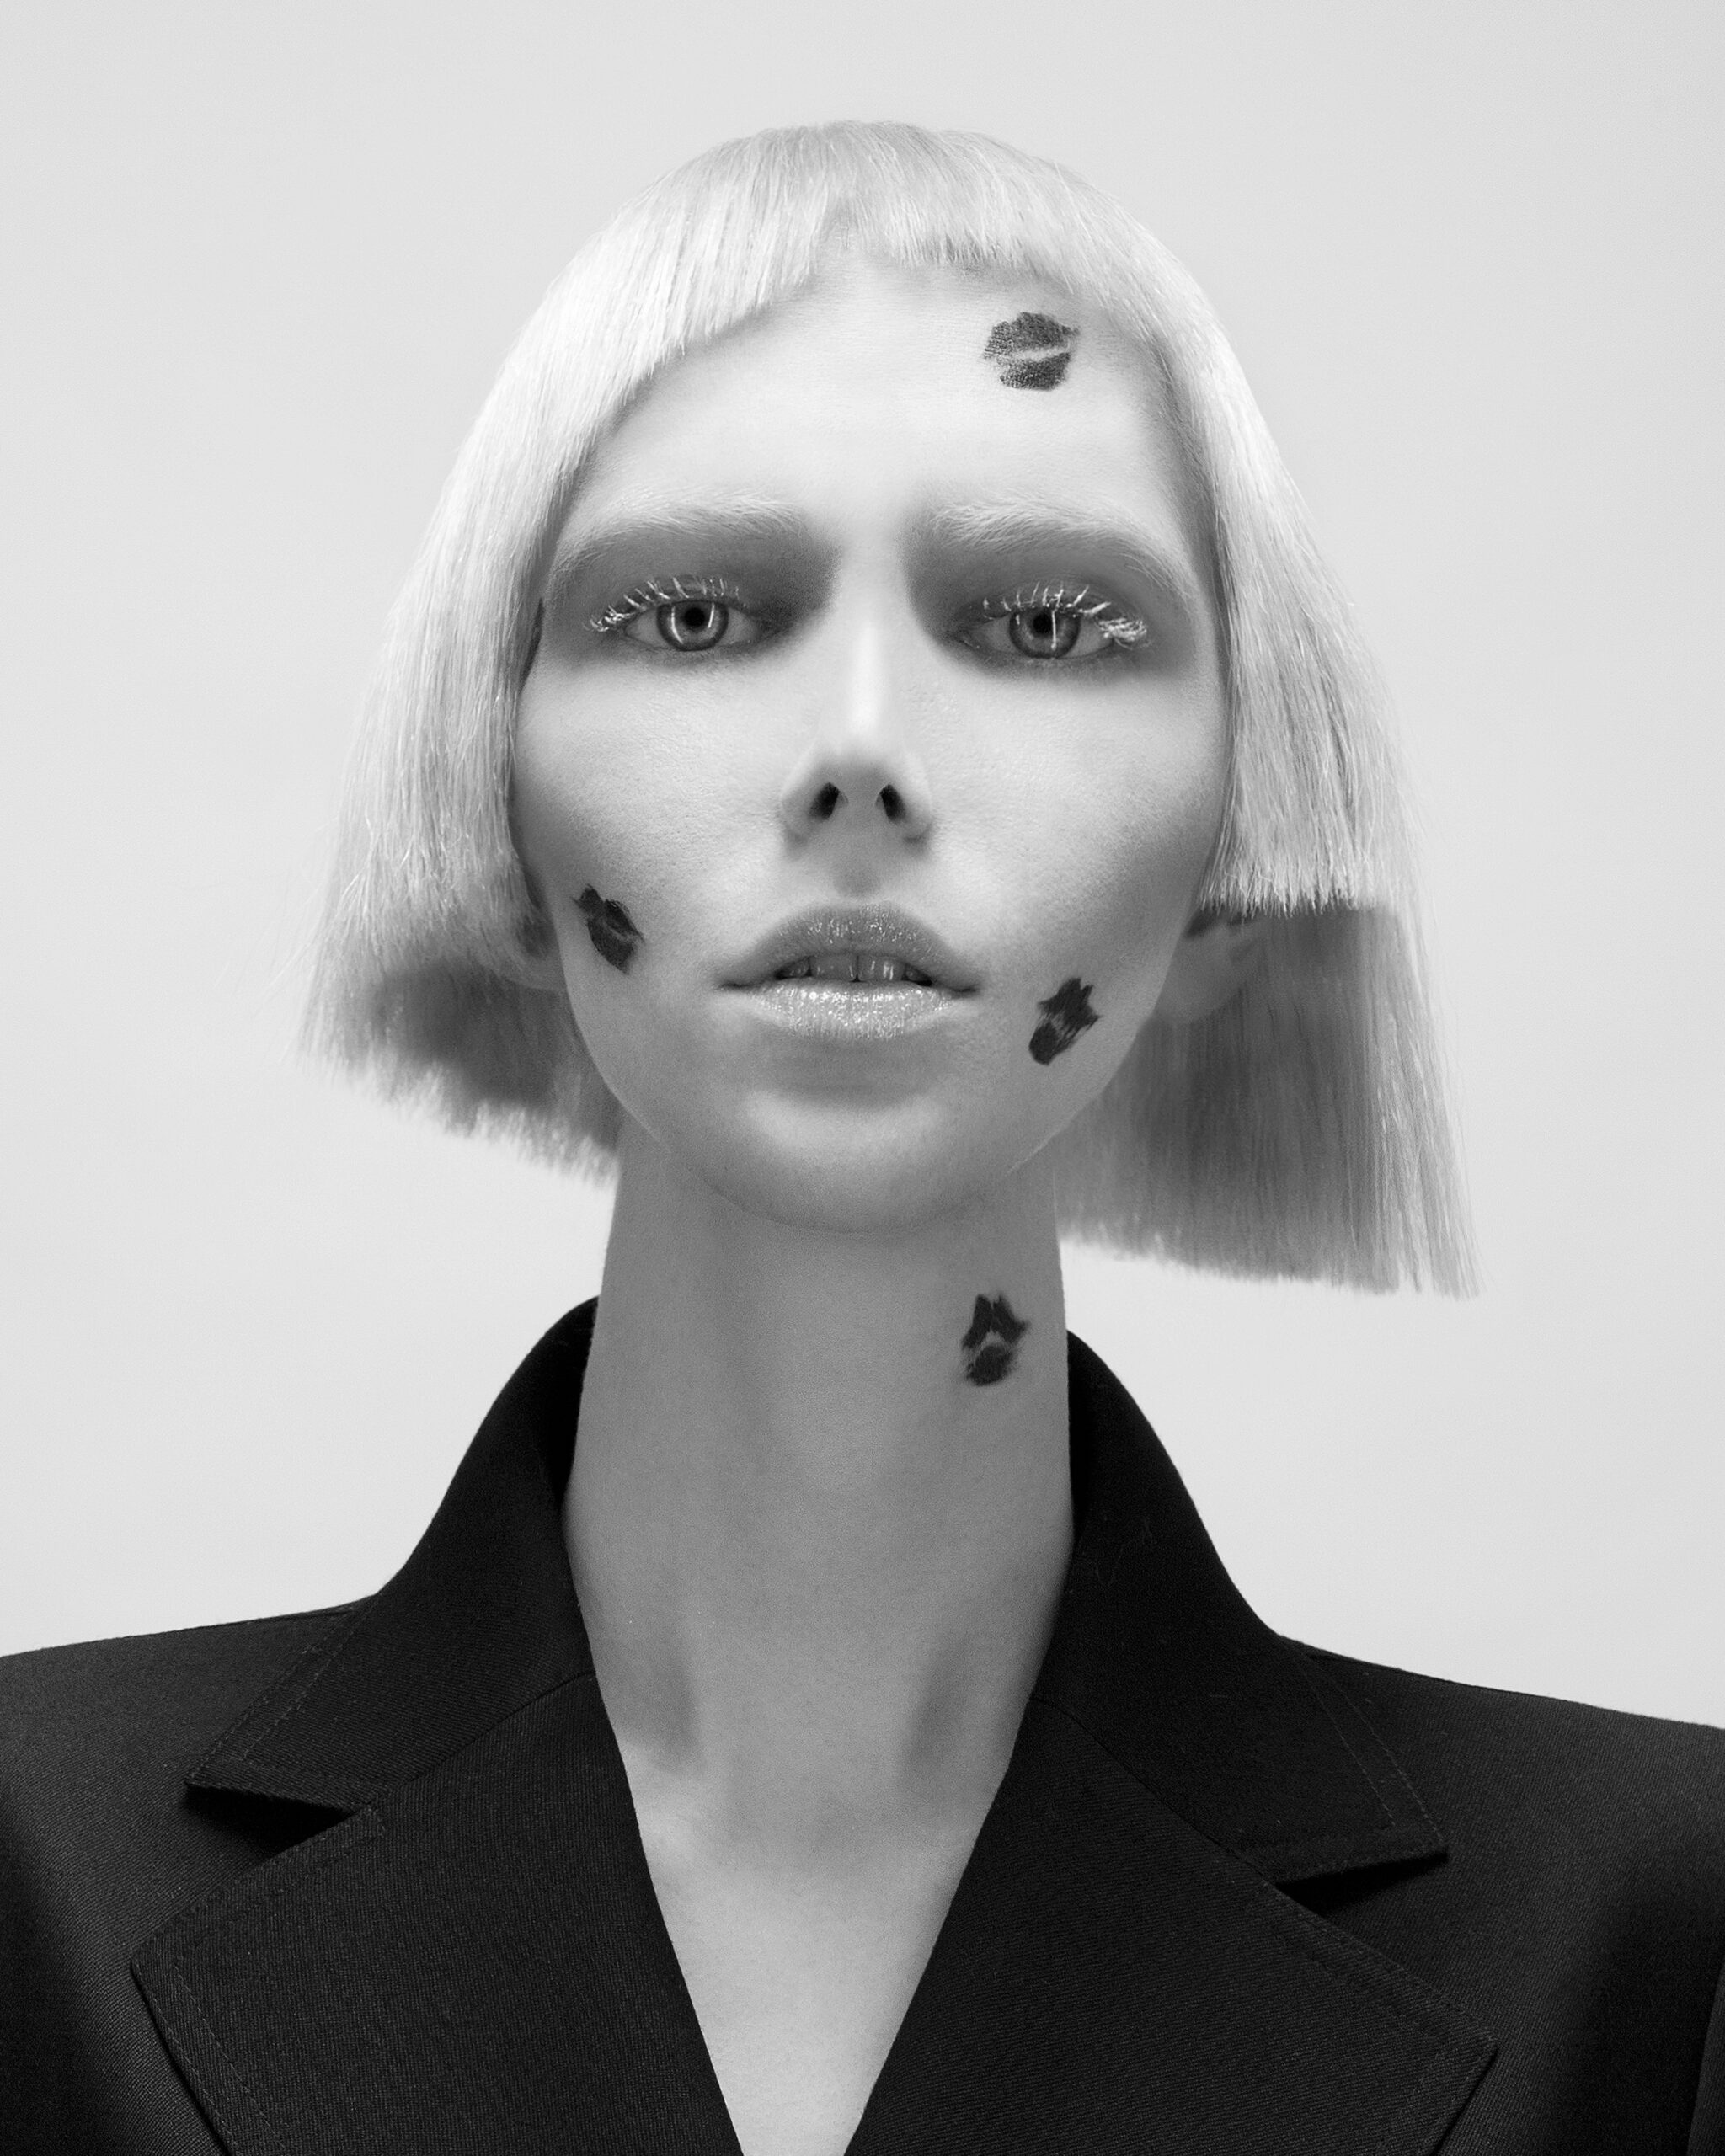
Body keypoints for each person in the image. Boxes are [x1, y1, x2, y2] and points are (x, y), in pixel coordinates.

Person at [2, 121, 1721, 2156]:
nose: (862, 755)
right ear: (490, 806)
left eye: (1050, 623)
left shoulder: (1660, 1930)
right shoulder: (29, 1865)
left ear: (1239, 858)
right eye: (695, 616)